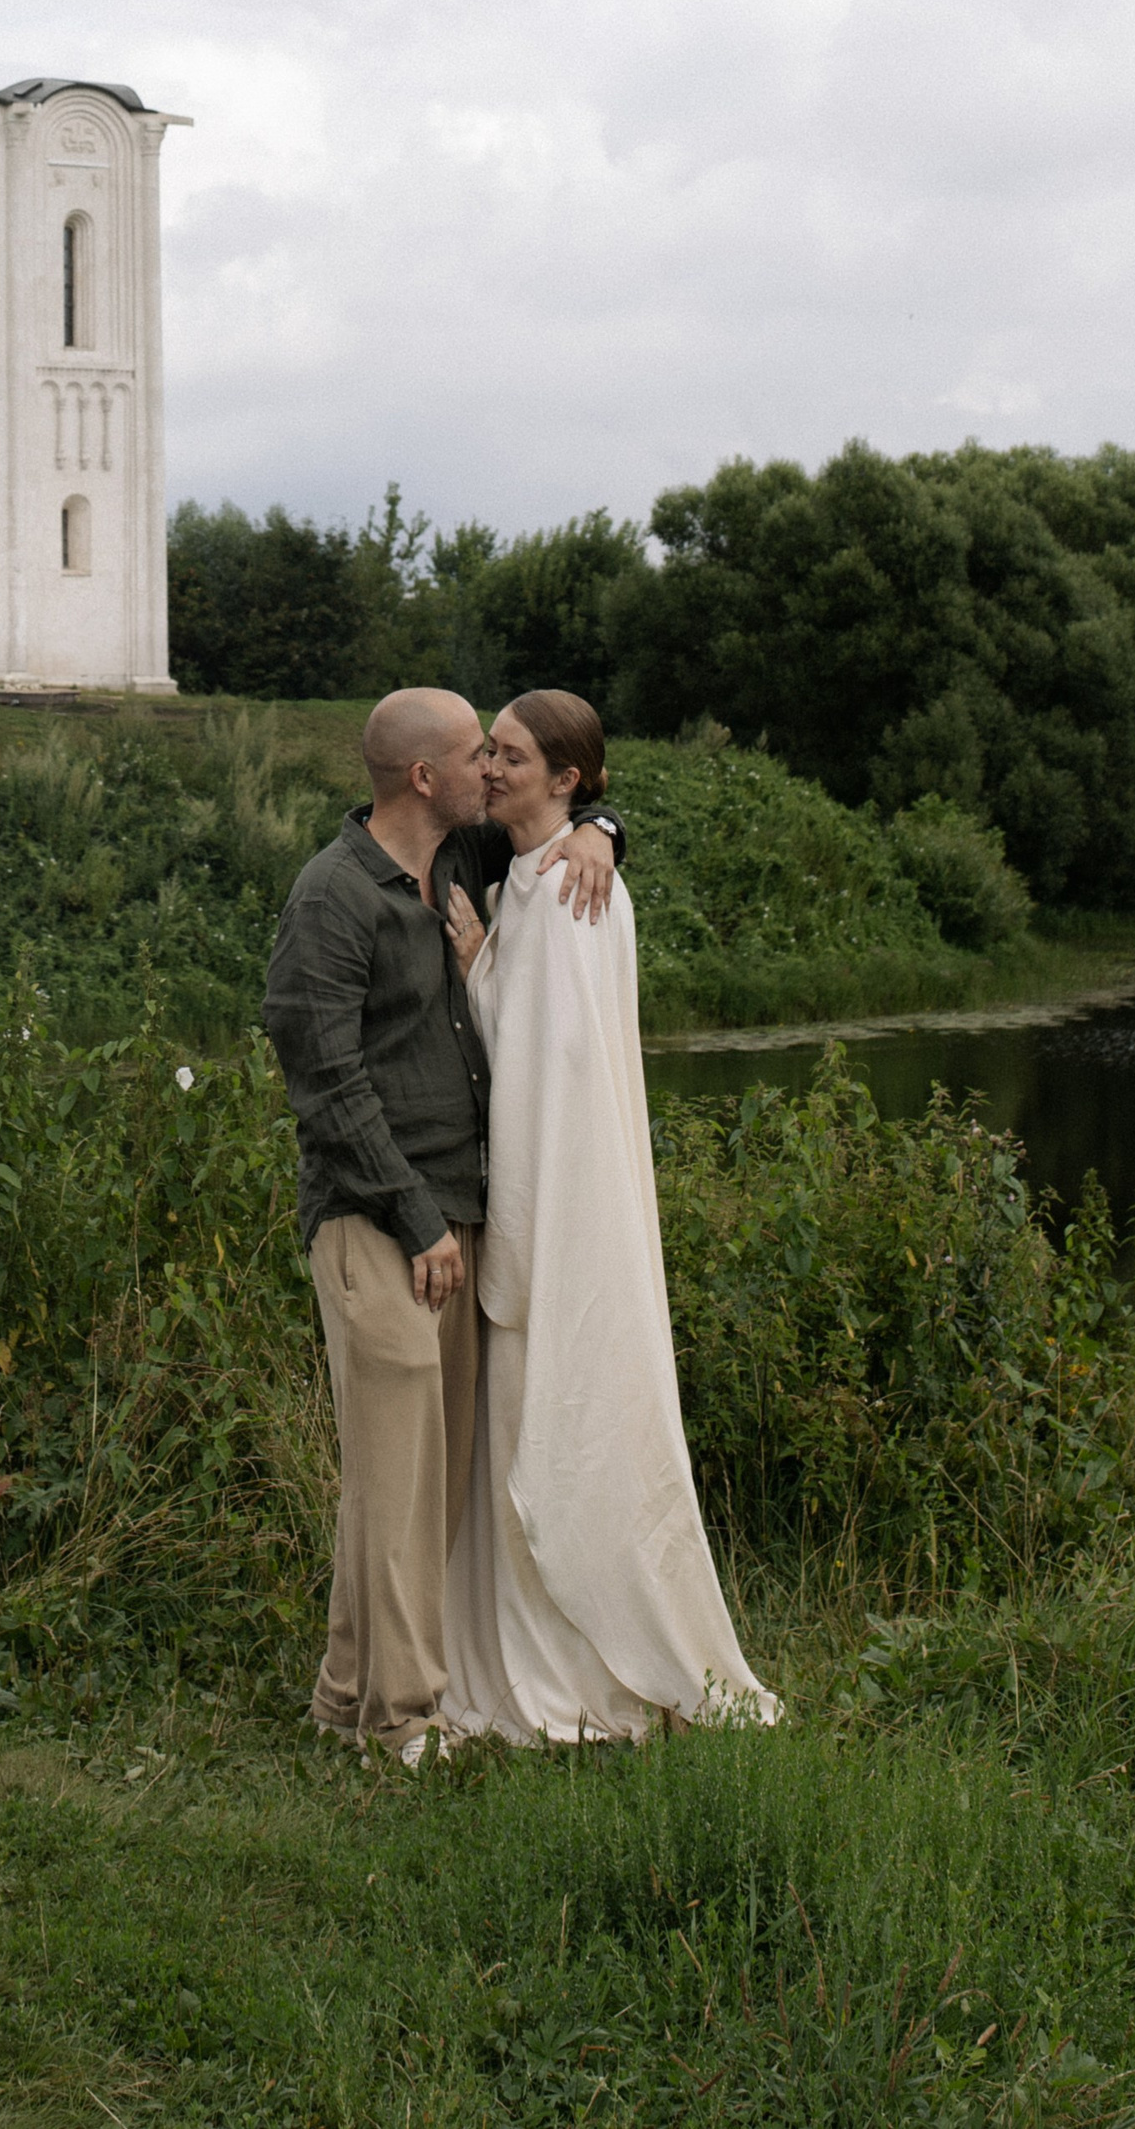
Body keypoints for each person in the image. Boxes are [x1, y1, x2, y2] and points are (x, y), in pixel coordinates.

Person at [261, 686, 624, 1763]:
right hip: (377, 1219)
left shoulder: (459, 860)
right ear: (425, 776)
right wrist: (416, 1219)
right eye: (476, 754)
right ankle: (402, 1716)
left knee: (419, 1475)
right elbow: (324, 1080)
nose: (492, 768)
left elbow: (566, 791)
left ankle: (341, 1693)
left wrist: (602, 827)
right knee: (398, 1465)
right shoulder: (332, 897)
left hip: (454, 1217)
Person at [439, 689, 777, 1742]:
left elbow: (569, 1081)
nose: (487, 767)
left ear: (566, 778)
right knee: (511, 1451)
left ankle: (587, 1667)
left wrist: (537, 1241)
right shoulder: (525, 876)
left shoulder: (582, 890)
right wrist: (479, 961)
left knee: (565, 1430)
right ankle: (522, 1648)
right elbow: (523, 1036)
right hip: (518, 1203)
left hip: (560, 1213)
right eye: (486, 750)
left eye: (507, 754)